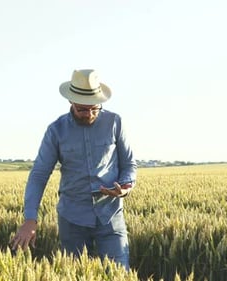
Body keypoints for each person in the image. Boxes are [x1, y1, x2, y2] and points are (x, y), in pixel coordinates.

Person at [10, 69, 137, 271]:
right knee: (75, 274)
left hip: (110, 216)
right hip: (73, 219)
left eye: (95, 109)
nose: (90, 114)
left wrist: (126, 186)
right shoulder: (56, 131)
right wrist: (30, 219)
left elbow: (129, 164)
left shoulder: (114, 122)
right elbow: (39, 175)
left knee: (119, 273)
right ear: (71, 103)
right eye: (82, 110)